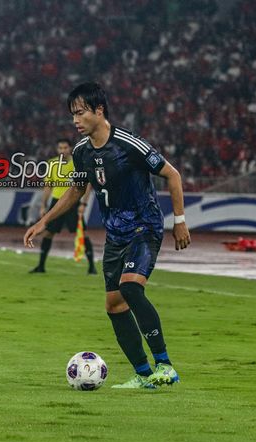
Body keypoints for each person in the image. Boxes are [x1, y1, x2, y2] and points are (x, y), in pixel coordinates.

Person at [24, 82, 191, 389]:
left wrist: (179, 221)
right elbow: (75, 190)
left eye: (80, 112)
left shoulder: (128, 144)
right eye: (72, 114)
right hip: (115, 235)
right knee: (113, 306)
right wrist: (44, 221)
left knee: (130, 288)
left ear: (99, 111)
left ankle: (165, 365)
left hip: (144, 226)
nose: (75, 120)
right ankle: (143, 375)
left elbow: (172, 174)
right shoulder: (81, 152)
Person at [30, 138, 96, 275]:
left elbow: (87, 184)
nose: (62, 151)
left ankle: (92, 267)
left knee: (81, 233)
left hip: (73, 202)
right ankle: (41, 266)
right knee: (48, 232)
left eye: (65, 148)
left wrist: (83, 203)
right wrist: (43, 205)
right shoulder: (52, 163)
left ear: (70, 148)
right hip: (56, 202)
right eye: (60, 148)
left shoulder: (78, 162)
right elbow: (48, 186)